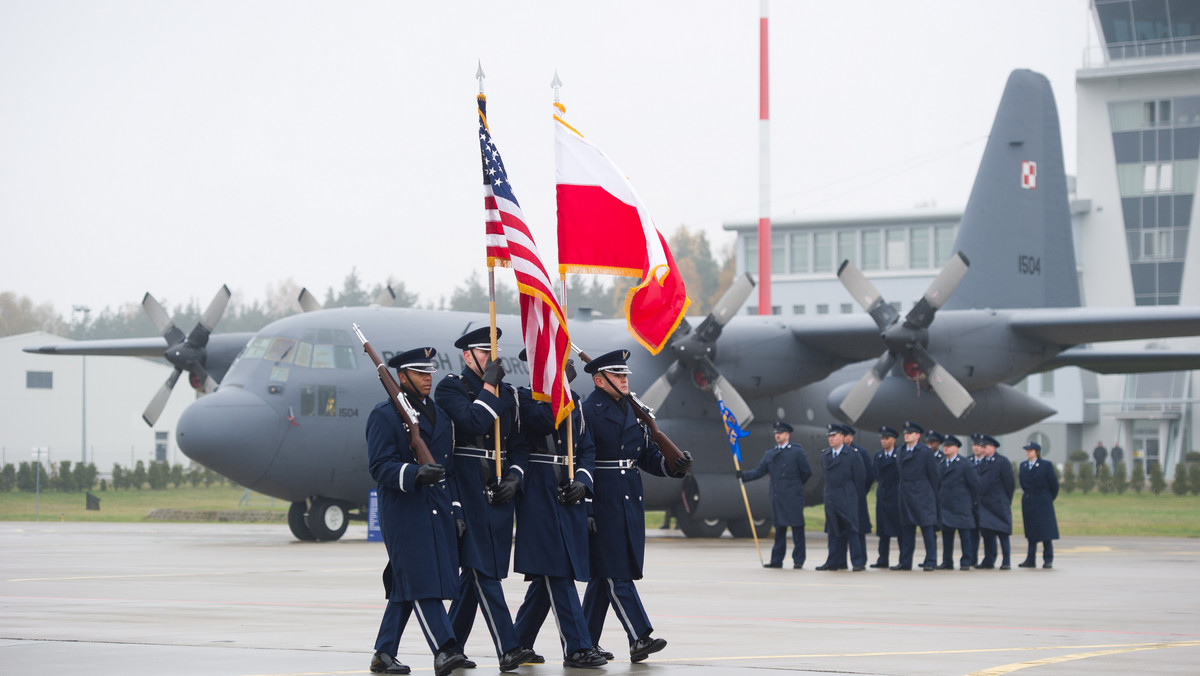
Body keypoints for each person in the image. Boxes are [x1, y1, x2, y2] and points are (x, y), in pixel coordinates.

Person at [580, 349, 692, 663]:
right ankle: (639, 636)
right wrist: (587, 506)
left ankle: (582, 643)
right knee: (617, 574)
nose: (625, 379)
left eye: (625, 374)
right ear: (600, 380)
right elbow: (582, 460)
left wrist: (673, 466)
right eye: (617, 375)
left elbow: (644, 456)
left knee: (604, 576)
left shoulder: (631, 409)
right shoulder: (589, 411)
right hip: (604, 498)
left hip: (628, 496)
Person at [434, 327, 534, 672]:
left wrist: (515, 478)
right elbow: (473, 420)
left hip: (498, 490)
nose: (493, 358)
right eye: (483, 352)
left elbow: (519, 445)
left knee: (481, 572)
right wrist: (490, 387)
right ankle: (509, 647)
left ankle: (449, 647)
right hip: (467, 487)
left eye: (495, 352)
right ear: (467, 356)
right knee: (480, 570)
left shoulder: (507, 393)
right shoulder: (451, 387)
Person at [366, 347, 467, 676]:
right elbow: (379, 467)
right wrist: (412, 474)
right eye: (419, 373)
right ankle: (446, 648)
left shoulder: (439, 415)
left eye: (429, 372)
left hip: (436, 508)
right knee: (422, 581)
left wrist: (455, 509)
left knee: (407, 583)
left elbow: (448, 468)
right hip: (404, 511)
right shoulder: (384, 416)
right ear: (401, 377)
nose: (428, 378)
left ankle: (384, 653)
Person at [510, 351, 607, 669]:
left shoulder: (575, 401)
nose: (569, 367)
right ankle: (578, 647)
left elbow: (587, 448)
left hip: (569, 492)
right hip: (539, 491)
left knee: (548, 573)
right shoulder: (523, 398)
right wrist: (558, 387)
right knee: (558, 570)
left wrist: (583, 482)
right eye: (558, 363)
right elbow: (542, 422)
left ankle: (518, 641)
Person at [739, 420, 813, 569]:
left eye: (780, 433)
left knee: (797, 529)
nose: (777, 436)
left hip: (793, 496)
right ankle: (776, 560)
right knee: (780, 530)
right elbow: (760, 471)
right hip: (778, 497)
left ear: (787, 434)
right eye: (776, 434)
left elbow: (807, 472)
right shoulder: (770, 453)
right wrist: (743, 475)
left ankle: (798, 560)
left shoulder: (797, 451)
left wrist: (795, 486)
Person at [815, 424, 866, 571]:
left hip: (847, 496)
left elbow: (860, 478)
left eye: (834, 436)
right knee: (833, 531)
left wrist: (851, 494)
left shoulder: (852, 454)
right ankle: (834, 561)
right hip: (831, 496)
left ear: (842, 437)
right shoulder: (825, 455)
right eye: (830, 436)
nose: (831, 439)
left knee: (852, 530)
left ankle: (857, 562)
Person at [893, 421, 939, 571]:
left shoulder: (925, 452)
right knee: (906, 532)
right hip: (906, 495)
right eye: (905, 433)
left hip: (922, 495)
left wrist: (929, 494)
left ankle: (931, 561)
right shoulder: (900, 451)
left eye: (910, 433)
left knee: (927, 530)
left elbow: (934, 476)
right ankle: (905, 562)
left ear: (917, 435)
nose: (906, 435)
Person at [935, 436, 979, 570]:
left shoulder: (964, 464)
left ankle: (966, 560)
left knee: (965, 535)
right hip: (946, 504)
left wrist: (970, 502)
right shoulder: (942, 464)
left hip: (961, 505)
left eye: (949, 446)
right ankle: (947, 561)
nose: (946, 448)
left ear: (956, 448)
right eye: (945, 446)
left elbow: (974, 484)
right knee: (947, 535)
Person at [973, 434, 1014, 570]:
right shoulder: (983, 462)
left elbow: (1009, 484)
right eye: (982, 447)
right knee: (987, 534)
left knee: (1002, 533)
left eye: (985, 447)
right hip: (985, 504)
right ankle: (989, 560)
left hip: (998, 502)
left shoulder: (1002, 462)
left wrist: (1006, 500)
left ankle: (1006, 560)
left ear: (993, 448)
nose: (983, 449)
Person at [1018, 442, 1060, 569]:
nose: (1028, 452)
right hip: (1029, 501)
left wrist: (1047, 498)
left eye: (1030, 450)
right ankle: (1030, 559)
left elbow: (1054, 485)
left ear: (1036, 452)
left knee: (1046, 532)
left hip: (1042, 501)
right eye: (1027, 450)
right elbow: (1023, 483)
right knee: (1031, 532)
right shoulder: (1023, 465)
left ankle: (1048, 559)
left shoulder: (1045, 465)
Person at [871, 426, 901, 568]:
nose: (883, 441)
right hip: (883, 495)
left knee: (900, 531)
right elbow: (876, 474)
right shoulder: (878, 455)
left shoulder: (900, 454)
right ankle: (882, 559)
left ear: (893, 439)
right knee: (883, 531)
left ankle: (903, 560)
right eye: (882, 438)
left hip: (896, 495)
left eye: (886, 438)